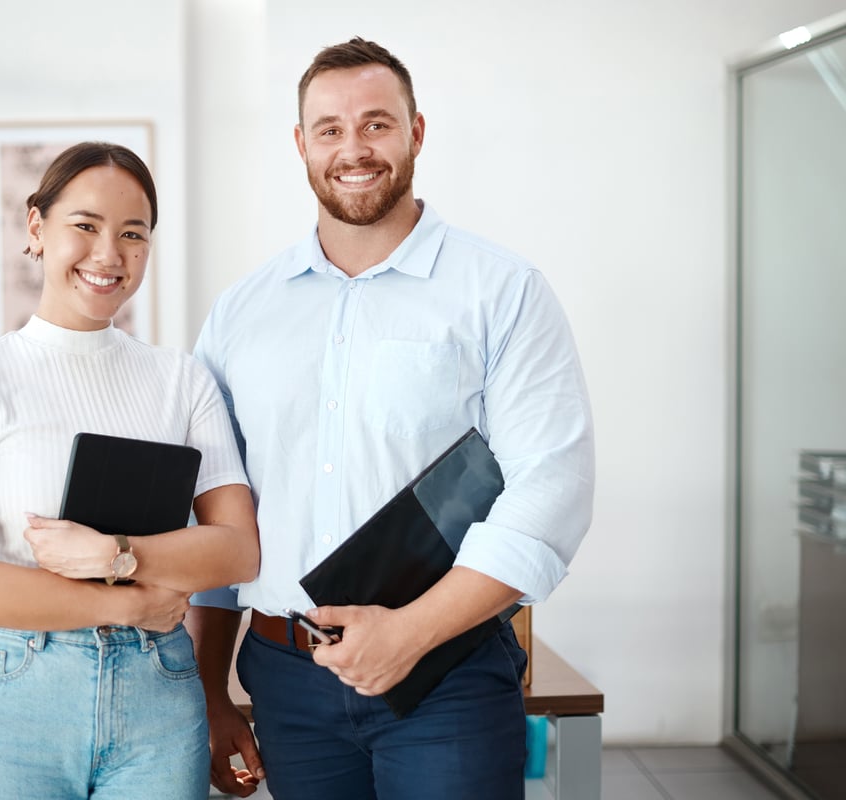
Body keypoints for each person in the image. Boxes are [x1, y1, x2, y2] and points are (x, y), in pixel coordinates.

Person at [186, 38, 595, 799]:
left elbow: (551, 491)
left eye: (377, 124)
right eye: (331, 129)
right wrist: (211, 693)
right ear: (301, 144)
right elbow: (218, 512)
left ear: (416, 133)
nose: (354, 148)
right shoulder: (241, 314)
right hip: (288, 683)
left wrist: (410, 633)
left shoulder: (502, 291)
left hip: (448, 676)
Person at [0, 141, 259, 800]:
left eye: (133, 234)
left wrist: (115, 553)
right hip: (18, 692)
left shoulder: (181, 381)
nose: (109, 254)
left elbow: (237, 549)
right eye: (85, 226)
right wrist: (130, 599)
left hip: (158, 699)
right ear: (37, 227)